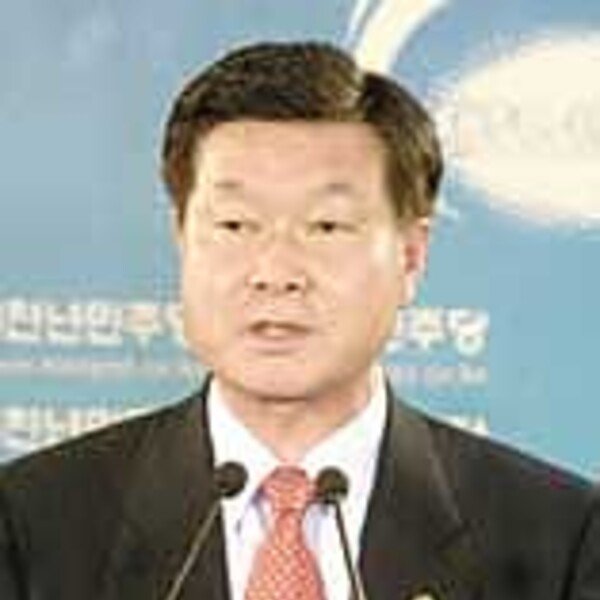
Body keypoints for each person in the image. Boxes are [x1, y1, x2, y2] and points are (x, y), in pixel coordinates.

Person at [0, 40, 598, 600]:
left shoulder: (560, 538)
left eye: (326, 226)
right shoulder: (30, 521)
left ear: (411, 256)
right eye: (236, 225)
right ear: (182, 238)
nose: (276, 272)